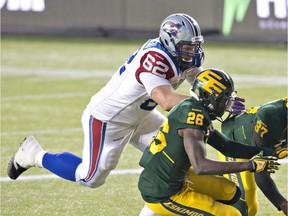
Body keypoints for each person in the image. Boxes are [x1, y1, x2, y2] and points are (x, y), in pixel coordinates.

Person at [7, 13, 208, 186]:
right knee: (90, 178)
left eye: (194, 47)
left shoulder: (182, 55)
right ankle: (34, 154)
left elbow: (200, 81)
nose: (191, 52)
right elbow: (166, 100)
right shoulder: (156, 59)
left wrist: (224, 97)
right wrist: (207, 103)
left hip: (142, 116)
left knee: (180, 152)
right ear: (169, 42)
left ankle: (158, 207)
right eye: (186, 47)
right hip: (110, 119)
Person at [137, 68, 280, 216]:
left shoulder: (195, 107)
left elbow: (227, 147)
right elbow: (201, 166)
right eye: (223, 99)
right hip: (163, 191)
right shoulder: (193, 116)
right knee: (232, 214)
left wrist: (271, 152)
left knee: (231, 192)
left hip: (174, 176)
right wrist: (251, 165)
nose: (227, 105)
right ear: (208, 96)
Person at [218, 97, 288, 215]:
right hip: (236, 144)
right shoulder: (270, 118)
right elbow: (261, 173)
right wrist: (283, 204)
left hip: (260, 146)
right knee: (245, 206)